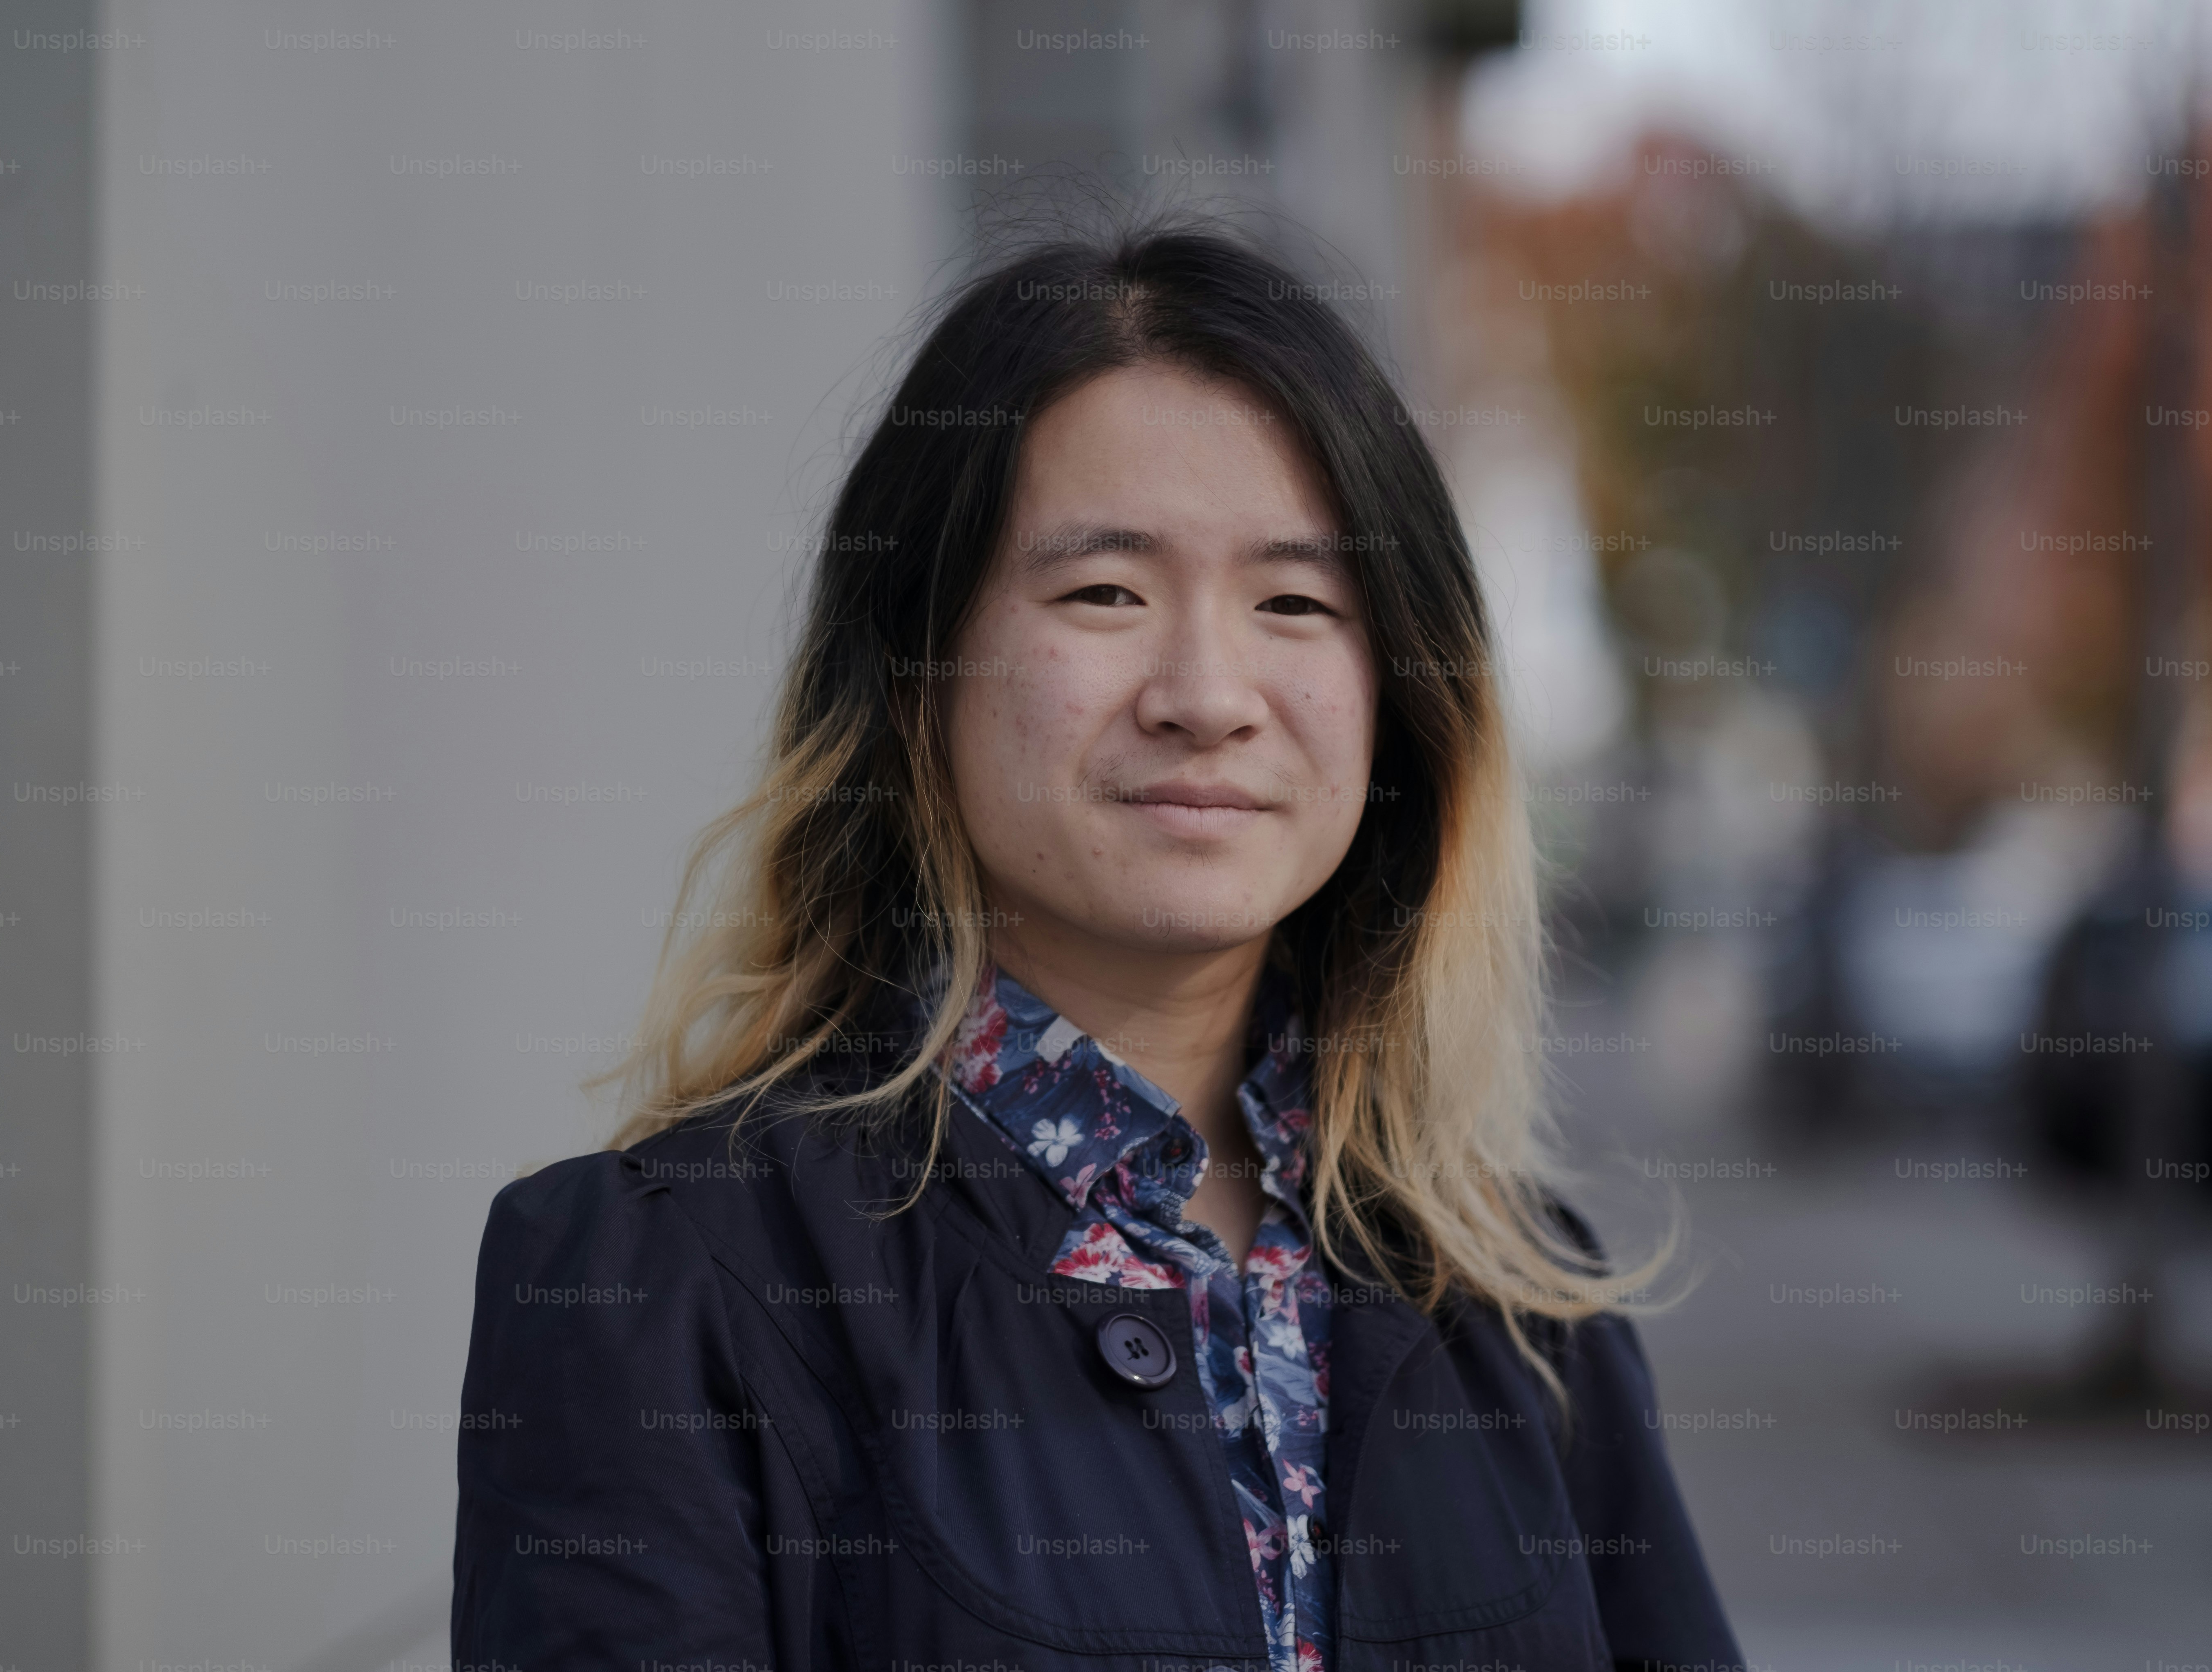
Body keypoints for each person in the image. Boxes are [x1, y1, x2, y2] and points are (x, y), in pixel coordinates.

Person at [452, 222, 1744, 1671]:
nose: (1207, 693)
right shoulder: (657, 1287)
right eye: (1105, 594)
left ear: (1400, 704)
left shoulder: (1517, 1304)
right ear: (914, 673)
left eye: (1296, 605)